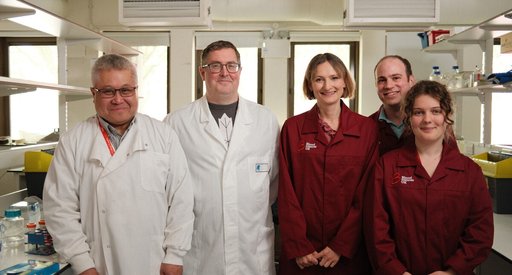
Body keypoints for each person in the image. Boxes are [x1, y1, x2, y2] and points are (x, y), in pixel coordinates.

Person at [43, 54, 194, 275]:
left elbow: (181, 199)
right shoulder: (73, 141)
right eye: (107, 91)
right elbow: (60, 209)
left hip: (155, 260)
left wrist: (175, 255)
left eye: (126, 90)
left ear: (135, 90)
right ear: (93, 93)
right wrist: (82, 264)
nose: (118, 99)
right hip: (99, 263)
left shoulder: (163, 135)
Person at [163, 40, 280, 275]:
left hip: (253, 251)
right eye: (215, 66)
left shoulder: (265, 120)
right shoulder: (176, 123)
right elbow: (167, 189)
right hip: (200, 251)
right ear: (202, 72)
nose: (225, 73)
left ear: (240, 71)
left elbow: (273, 182)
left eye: (231, 65)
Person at [364, 80, 494, 275]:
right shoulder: (387, 167)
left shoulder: (469, 172)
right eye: (418, 112)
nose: (427, 119)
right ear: (408, 117)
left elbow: (480, 233)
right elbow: (375, 230)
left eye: (436, 111)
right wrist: (397, 271)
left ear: (447, 116)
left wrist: (450, 271)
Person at [278, 53, 379, 275]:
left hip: (348, 253)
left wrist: (340, 245)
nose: (327, 85)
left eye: (334, 78)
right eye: (319, 79)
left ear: (345, 82)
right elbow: (286, 192)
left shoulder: (367, 130)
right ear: (310, 85)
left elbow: (367, 194)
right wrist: (299, 245)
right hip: (303, 254)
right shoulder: (293, 129)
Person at [370, 55, 416, 155]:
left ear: (411, 81)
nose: (389, 86)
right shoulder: (366, 128)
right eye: (382, 80)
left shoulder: (430, 123)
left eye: (396, 78)